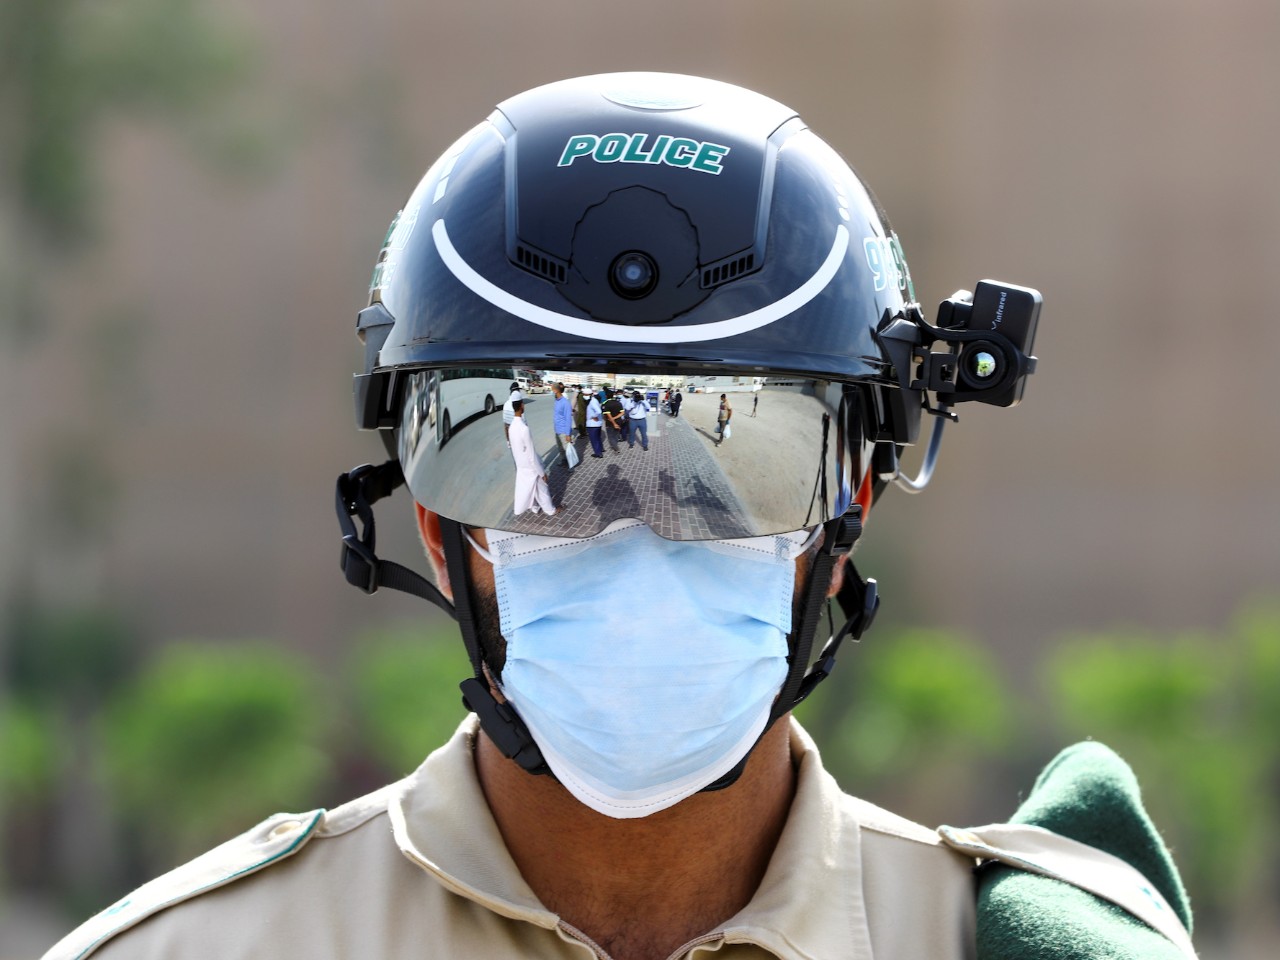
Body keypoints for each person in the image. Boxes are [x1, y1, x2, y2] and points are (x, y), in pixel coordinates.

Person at [47, 73, 1196, 960]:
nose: (637, 537)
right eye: (540, 472)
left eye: (730, 462)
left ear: (847, 510)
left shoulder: (1017, 947)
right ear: (437, 530)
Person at [509, 396, 556, 516]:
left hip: (521, 465)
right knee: (542, 488)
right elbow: (531, 454)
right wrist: (542, 473)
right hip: (530, 466)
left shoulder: (511, 427)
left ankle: (535, 508)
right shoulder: (524, 429)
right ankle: (550, 510)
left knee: (528, 487)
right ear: (521, 406)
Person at [552, 382, 574, 465]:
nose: (551, 391)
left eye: (552, 389)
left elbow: (568, 419)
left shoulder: (565, 402)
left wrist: (568, 434)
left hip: (564, 431)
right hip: (557, 430)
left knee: (567, 449)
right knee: (560, 448)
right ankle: (563, 461)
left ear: (556, 390)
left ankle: (571, 466)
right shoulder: (557, 401)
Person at [601, 387, 625, 452]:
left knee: (611, 436)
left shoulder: (605, 404)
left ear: (606, 396)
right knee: (616, 435)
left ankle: (616, 448)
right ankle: (615, 445)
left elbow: (608, 415)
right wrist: (615, 418)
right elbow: (622, 413)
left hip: (610, 423)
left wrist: (613, 422)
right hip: (619, 421)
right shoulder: (618, 402)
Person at [585, 387, 605, 458]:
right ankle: (601, 449)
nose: (584, 396)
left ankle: (598, 453)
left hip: (592, 424)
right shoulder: (594, 400)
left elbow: (598, 411)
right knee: (598, 438)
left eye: (585, 395)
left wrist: (593, 416)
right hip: (597, 424)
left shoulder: (592, 401)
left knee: (594, 440)